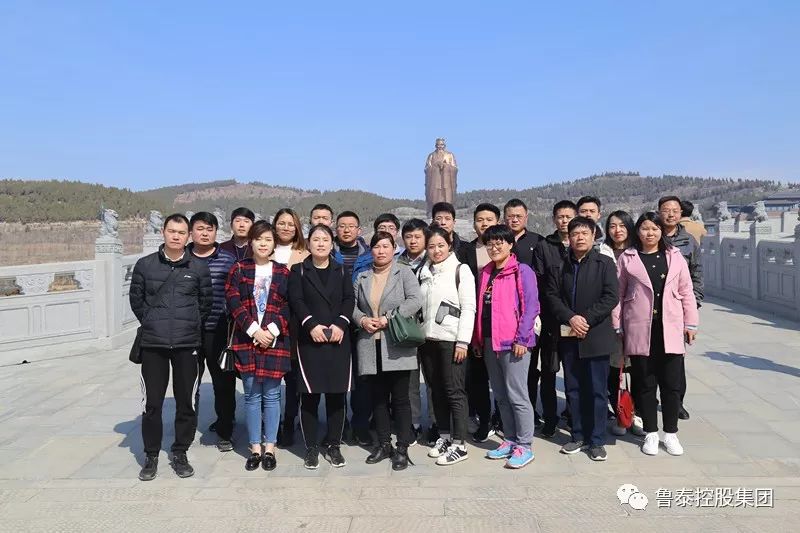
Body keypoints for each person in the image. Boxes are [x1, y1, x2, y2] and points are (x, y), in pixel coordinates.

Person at [129, 213, 212, 481]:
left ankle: (180, 451)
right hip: (154, 344)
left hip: (187, 344)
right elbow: (136, 300)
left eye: (181, 232)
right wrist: (153, 323)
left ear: (188, 236)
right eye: (172, 231)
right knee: (152, 403)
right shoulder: (145, 265)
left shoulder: (198, 267)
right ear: (163, 232)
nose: (176, 236)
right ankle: (151, 455)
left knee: (186, 401)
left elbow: (206, 303)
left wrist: (190, 325)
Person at [613, 212, 699, 456]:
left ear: (661, 231)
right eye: (644, 228)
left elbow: (687, 291)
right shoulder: (628, 258)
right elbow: (618, 294)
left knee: (671, 385)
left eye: (654, 228)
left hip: (670, 328)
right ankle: (651, 433)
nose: (649, 233)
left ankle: (671, 433)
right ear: (637, 231)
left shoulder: (674, 256)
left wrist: (691, 324)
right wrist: (618, 325)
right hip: (640, 328)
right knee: (645, 383)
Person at [543, 216, 619, 461]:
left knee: (597, 391)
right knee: (573, 388)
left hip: (596, 335)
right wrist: (570, 318)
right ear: (569, 237)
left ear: (594, 235)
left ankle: (596, 440)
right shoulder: (559, 265)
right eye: (575, 233)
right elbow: (552, 296)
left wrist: (585, 319)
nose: (580, 237)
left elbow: (611, 296)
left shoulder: (604, 263)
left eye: (585, 233)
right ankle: (577, 435)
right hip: (569, 335)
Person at [224, 221, 292, 471]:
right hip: (247, 339)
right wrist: (253, 329)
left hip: (275, 340)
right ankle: (254, 448)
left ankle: (270, 447)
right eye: (258, 239)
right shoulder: (239, 268)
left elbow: (289, 305)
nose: (263, 244)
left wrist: (271, 331)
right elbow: (233, 300)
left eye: (268, 239)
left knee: (272, 396)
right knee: (252, 396)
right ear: (250, 242)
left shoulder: (283, 272)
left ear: (274, 244)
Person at [353, 232, 423, 470]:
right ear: (371, 250)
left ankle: (402, 448)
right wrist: (363, 320)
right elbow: (352, 306)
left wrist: (388, 318)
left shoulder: (403, 272)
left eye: (386, 246)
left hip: (396, 344)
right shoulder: (362, 276)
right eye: (377, 246)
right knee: (378, 399)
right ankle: (384, 444)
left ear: (394, 248)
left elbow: (415, 300)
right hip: (370, 344)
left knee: (401, 399)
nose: (381, 251)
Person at [288, 224, 356, 469]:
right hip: (310, 340)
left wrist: (341, 323)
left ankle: (334, 446)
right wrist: (311, 325)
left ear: (331, 244)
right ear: (308, 243)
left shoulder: (341, 270)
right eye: (315, 239)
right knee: (310, 396)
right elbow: (296, 300)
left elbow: (349, 299)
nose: (320, 243)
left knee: (337, 396)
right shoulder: (299, 270)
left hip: (338, 339)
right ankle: (311, 448)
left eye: (325, 239)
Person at [472, 225, 540, 469]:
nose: (494, 247)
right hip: (490, 341)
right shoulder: (486, 272)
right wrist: (478, 340)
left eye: (499, 242)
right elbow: (481, 309)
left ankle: (525, 445)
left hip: (514, 342)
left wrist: (522, 339)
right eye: (490, 243)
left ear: (510, 245)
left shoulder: (522, 271)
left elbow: (531, 307)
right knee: (500, 395)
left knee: (517, 395)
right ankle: (510, 439)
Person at [418, 225, 476, 465]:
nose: (436, 250)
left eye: (441, 245)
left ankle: (459, 444)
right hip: (428, 340)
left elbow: (469, 308)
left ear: (450, 245)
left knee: (454, 391)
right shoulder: (424, 271)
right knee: (436, 390)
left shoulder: (461, 270)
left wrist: (463, 341)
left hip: (452, 340)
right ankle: (443, 436)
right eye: (431, 246)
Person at [187, 212, 236, 452]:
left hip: (218, 331)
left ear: (217, 232)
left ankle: (225, 431)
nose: (205, 233)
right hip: (187, 332)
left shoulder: (227, 260)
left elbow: (235, 293)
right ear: (191, 232)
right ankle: (185, 432)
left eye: (210, 229)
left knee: (223, 384)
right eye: (200, 228)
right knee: (188, 384)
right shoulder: (181, 258)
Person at [532, 200, 577, 437]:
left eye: (568, 216)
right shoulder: (544, 246)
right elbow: (538, 281)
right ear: (554, 219)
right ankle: (550, 417)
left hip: (575, 319)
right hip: (550, 319)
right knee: (549, 371)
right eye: (560, 216)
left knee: (573, 372)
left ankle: (573, 416)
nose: (564, 220)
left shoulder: (582, 244)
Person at [658, 196, 703, 420]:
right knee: (651, 357)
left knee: (676, 358)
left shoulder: (688, 240)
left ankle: (677, 402)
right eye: (666, 210)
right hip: (653, 308)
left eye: (674, 210)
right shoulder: (650, 235)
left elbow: (697, 273)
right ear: (659, 212)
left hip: (678, 308)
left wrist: (694, 303)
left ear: (680, 213)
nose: (670, 214)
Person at [460, 203, 501, 442]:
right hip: (476, 321)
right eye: (479, 219)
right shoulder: (466, 251)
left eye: (489, 219)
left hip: (502, 323)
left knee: (503, 378)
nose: (484, 223)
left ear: (498, 222)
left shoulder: (506, 249)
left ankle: (503, 420)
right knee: (477, 377)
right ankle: (484, 420)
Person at [269, 207, 310, 447]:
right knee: (270, 379)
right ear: (274, 225)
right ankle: (271, 423)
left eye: (290, 224)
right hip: (267, 325)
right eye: (281, 223)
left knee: (293, 380)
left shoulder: (305, 254)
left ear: (297, 228)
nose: (286, 227)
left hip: (294, 325)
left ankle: (289, 421)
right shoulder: (265, 249)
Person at [332, 211, 374, 446]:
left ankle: (360, 425)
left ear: (359, 230)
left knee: (362, 378)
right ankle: (339, 425)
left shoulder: (369, 256)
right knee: (337, 377)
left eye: (351, 226)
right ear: (335, 229)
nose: (346, 230)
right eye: (342, 226)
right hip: (334, 322)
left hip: (361, 323)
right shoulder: (328, 253)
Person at [503, 198, 545, 428]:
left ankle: (529, 410)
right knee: (505, 370)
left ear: (526, 217)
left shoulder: (538, 242)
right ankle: (505, 414)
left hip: (529, 313)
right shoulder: (499, 241)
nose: (514, 220)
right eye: (510, 216)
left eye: (519, 216)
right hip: (504, 314)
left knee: (528, 365)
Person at [603, 211, 645, 438]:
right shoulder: (602, 251)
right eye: (612, 226)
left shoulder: (640, 252)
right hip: (609, 321)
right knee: (614, 370)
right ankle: (620, 412)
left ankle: (637, 414)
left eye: (622, 225)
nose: (617, 230)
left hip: (637, 319)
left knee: (638, 370)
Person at [397, 218, 438, 444]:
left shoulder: (434, 261)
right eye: (408, 237)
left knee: (433, 380)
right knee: (409, 380)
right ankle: (412, 423)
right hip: (404, 331)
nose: (413, 241)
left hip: (429, 329)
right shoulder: (396, 262)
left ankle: (435, 422)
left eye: (417, 237)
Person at [577, 196, 615, 260]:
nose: (588, 214)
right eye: (584, 211)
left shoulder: (607, 244)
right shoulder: (570, 242)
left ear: (599, 215)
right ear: (577, 214)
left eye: (592, 211)